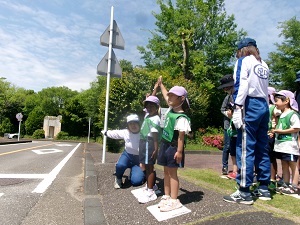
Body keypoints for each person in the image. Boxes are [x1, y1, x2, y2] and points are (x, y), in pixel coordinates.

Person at [223, 38, 271, 205]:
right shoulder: (263, 64)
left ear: (241, 50)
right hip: (264, 105)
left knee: (245, 147)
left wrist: (237, 107)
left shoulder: (243, 61)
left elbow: (240, 85)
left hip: (249, 104)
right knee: (262, 147)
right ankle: (264, 187)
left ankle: (244, 191)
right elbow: (265, 89)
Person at [156, 77, 191, 212]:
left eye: (173, 96)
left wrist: (180, 151)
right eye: (170, 94)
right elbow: (165, 95)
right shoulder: (171, 108)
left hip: (174, 147)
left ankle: (174, 200)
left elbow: (181, 137)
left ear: (181, 99)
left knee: (172, 173)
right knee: (165, 171)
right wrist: (161, 85)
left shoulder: (181, 117)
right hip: (165, 144)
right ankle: (166, 196)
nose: (169, 97)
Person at [102, 114, 145, 189]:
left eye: (135, 123)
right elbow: (115, 133)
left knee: (136, 182)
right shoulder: (125, 132)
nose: (133, 125)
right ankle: (118, 178)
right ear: (128, 125)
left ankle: (134, 173)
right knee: (120, 165)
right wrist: (105, 132)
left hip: (139, 159)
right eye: (130, 124)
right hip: (127, 155)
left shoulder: (144, 133)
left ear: (139, 124)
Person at [272, 90, 300, 195]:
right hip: (281, 146)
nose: (275, 103)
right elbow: (274, 112)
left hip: (290, 146)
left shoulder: (293, 114)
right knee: (284, 164)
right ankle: (286, 184)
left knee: (293, 165)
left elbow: (296, 128)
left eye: (277, 101)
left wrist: (280, 131)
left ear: (286, 101)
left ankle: (294, 186)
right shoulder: (281, 114)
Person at [138, 95, 161, 203]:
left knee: (149, 167)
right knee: (146, 166)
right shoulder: (148, 116)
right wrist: (154, 90)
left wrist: (156, 149)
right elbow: (146, 108)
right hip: (144, 142)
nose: (149, 108)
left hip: (149, 143)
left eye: (152, 106)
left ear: (157, 107)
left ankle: (151, 191)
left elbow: (155, 136)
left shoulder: (155, 118)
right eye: (147, 106)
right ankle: (150, 186)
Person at [217, 74, 238, 179]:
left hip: (238, 126)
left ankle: (237, 169)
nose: (225, 89)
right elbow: (222, 109)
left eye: (227, 87)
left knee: (236, 147)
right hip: (228, 126)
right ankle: (225, 166)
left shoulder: (238, 95)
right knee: (227, 146)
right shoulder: (228, 97)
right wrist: (229, 115)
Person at [266, 87, 281, 191]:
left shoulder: (273, 107)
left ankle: (272, 179)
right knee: (263, 156)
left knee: (271, 157)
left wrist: (273, 129)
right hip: (262, 134)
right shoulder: (264, 106)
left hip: (269, 134)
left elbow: (279, 116)